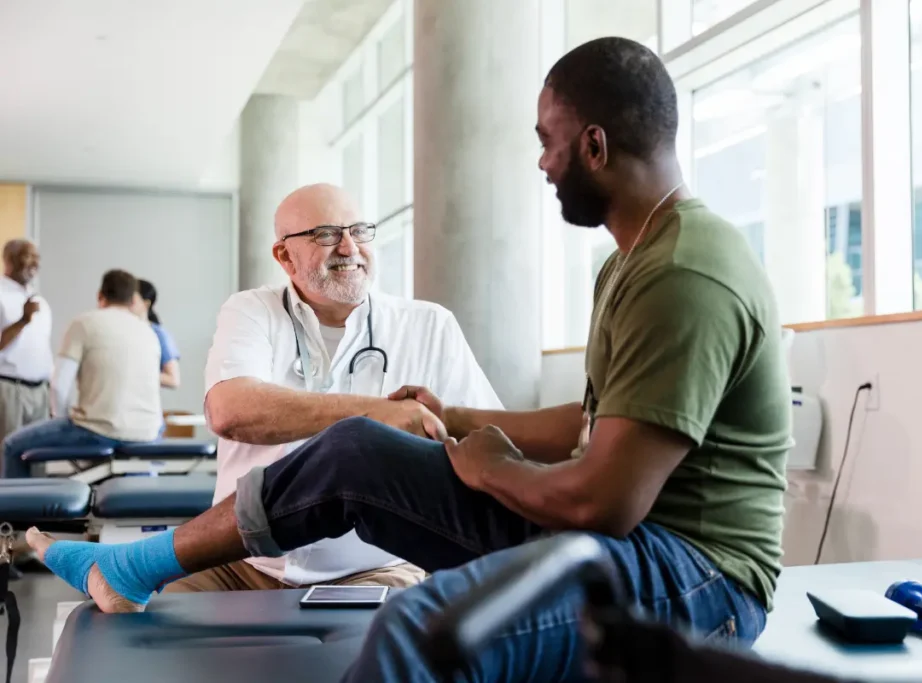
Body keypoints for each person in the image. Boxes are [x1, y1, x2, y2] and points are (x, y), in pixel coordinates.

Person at [28, 37, 791, 683]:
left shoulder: (684, 269)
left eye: (546, 141)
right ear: (285, 257)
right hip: (621, 538)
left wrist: (486, 462)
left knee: (417, 628)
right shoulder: (626, 263)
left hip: (696, 571)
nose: (541, 163)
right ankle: (130, 565)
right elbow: (590, 426)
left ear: (593, 145)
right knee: (356, 451)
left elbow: (606, 501)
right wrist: (457, 419)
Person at [157, 182, 502, 594]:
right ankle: (121, 567)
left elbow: (485, 439)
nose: (348, 247)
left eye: (358, 231)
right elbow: (230, 411)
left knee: (381, 649)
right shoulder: (252, 310)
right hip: (241, 564)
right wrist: (376, 414)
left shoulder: (430, 325)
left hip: (376, 567)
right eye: (325, 234)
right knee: (142, 634)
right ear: (285, 255)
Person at [2, 269, 162, 478]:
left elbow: (59, 384)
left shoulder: (84, 323)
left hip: (98, 431)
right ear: (133, 299)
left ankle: (20, 509)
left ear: (100, 296)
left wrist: (61, 417)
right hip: (147, 432)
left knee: (11, 446)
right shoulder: (148, 332)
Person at [0, 240, 52, 463]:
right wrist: (23, 320)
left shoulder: (40, 301)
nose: (35, 262)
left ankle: (36, 499)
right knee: (7, 458)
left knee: (38, 457)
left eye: (36, 257)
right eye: (27, 256)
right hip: (10, 390)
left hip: (40, 391)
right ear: (9, 260)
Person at [135, 279, 181, 389]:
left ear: (146, 303)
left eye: (132, 300)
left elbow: (173, 380)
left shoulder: (159, 334)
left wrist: (136, 374)